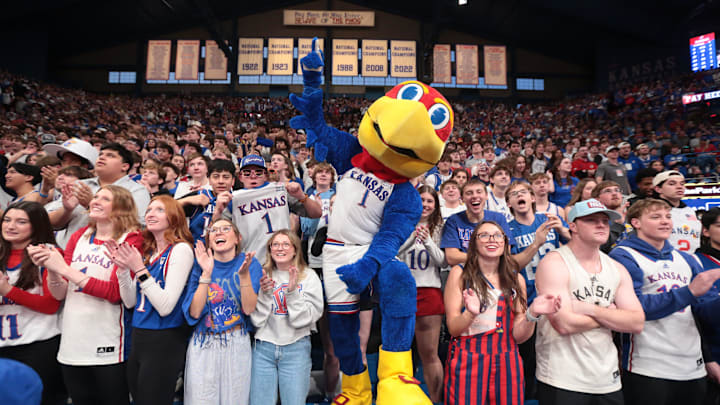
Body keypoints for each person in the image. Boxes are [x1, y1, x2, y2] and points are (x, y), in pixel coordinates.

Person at [29, 186, 143, 405]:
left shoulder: (131, 239)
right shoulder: (80, 235)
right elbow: (61, 292)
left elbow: (115, 293)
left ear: (121, 208)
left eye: (105, 198)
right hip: (72, 340)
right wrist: (51, 267)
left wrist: (63, 268)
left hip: (109, 340)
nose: (96, 201)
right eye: (96, 196)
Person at [609, 199, 720, 405]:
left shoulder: (686, 259)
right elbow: (633, 310)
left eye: (668, 216)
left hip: (692, 366)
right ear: (636, 223)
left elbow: (703, 313)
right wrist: (689, 292)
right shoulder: (622, 256)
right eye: (655, 217)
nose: (665, 222)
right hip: (648, 366)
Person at [534, 199, 645, 404]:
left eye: (604, 220)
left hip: (607, 377)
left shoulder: (616, 268)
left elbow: (636, 323)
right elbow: (564, 324)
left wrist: (588, 309)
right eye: (592, 220)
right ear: (573, 226)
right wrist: (610, 314)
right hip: (563, 378)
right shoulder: (554, 263)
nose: (601, 225)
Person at [443, 221, 561, 405]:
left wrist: (532, 314)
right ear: (473, 243)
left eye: (498, 235)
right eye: (484, 235)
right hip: (468, 358)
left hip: (507, 359)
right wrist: (470, 314)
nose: (492, 239)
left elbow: (519, 337)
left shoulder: (516, 279)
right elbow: (453, 329)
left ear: (505, 243)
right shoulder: (460, 274)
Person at [112, 195, 194, 405]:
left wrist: (138, 268)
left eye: (159, 209)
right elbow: (129, 302)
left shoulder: (181, 250)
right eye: (149, 209)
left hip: (164, 338)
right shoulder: (149, 253)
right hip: (139, 335)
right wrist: (122, 269)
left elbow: (165, 306)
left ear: (174, 217)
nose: (150, 214)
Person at [182, 219, 262, 405]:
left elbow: (249, 308)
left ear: (237, 238)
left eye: (226, 229)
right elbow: (195, 312)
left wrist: (243, 276)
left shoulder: (249, 263)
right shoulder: (200, 264)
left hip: (236, 341)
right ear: (209, 240)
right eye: (214, 230)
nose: (219, 232)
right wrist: (206, 274)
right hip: (204, 342)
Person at [249, 230, 323, 405]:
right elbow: (256, 320)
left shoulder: (309, 277)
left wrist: (292, 293)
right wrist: (266, 295)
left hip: (296, 348)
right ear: (269, 249)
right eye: (275, 244)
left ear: (295, 250)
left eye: (285, 244)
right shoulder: (261, 276)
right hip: (263, 349)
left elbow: (303, 320)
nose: (279, 248)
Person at [0, 202, 63, 405]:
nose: (11, 226)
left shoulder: (47, 252)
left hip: (38, 345)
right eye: (7, 220)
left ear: (36, 225)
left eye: (21, 222)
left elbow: (51, 304)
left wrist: (8, 291)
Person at [213, 154, 321, 264]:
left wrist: (302, 196)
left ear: (265, 175)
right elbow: (215, 236)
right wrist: (217, 211)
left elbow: (316, 213)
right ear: (240, 177)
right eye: (247, 173)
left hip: (284, 260)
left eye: (258, 172)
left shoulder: (280, 190)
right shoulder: (232, 199)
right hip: (252, 262)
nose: (253, 176)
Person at [397, 186, 447, 403]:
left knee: (429, 354)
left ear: (435, 205)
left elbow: (444, 262)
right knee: (400, 355)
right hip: (402, 291)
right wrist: (412, 238)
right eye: (421, 200)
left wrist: (426, 240)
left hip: (429, 290)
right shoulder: (399, 224)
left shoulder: (441, 227)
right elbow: (393, 254)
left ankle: (436, 400)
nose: (425, 205)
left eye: (430, 201)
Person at [441, 179, 515, 267]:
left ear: (486, 195)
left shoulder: (498, 218)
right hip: (465, 273)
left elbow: (506, 252)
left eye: (479, 192)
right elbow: (452, 257)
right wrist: (488, 256)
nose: (475, 196)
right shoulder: (453, 221)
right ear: (462, 198)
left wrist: (470, 257)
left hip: (494, 271)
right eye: (469, 193)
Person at [179, 159, 236, 243]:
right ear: (209, 180)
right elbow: (163, 208)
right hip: (197, 251)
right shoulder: (200, 195)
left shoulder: (238, 200)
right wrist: (187, 200)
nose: (221, 181)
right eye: (216, 176)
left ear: (233, 181)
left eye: (226, 177)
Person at [653, 170, 701, 252]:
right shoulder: (652, 210)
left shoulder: (690, 211)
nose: (679, 187)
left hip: (692, 260)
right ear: (658, 189)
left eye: (682, 184)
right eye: (672, 184)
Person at [592, 181, 630, 253]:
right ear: (597, 199)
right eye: (608, 191)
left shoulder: (631, 215)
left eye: (617, 190)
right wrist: (618, 224)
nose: (614, 193)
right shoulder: (594, 220)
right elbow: (601, 248)